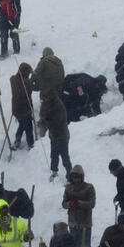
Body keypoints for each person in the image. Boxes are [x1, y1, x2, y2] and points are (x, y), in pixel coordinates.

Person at [36, 49, 72, 180]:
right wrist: (42, 119)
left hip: (61, 134)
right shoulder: (59, 63)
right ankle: (54, 171)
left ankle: (69, 174)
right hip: (54, 134)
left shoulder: (59, 107)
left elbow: (57, 121)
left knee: (64, 154)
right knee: (53, 153)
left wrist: (44, 123)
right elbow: (44, 113)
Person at [63, 164, 96, 247]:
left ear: (81, 177)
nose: (76, 180)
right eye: (74, 178)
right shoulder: (68, 188)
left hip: (85, 223)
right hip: (73, 223)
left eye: (77, 177)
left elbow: (92, 203)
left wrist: (79, 203)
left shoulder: (89, 187)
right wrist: (70, 204)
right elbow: (64, 204)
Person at [10, 62, 36, 150]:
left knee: (22, 125)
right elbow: (29, 89)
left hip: (16, 110)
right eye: (28, 73)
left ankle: (17, 140)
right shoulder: (27, 83)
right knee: (28, 127)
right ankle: (31, 144)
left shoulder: (13, 79)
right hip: (25, 109)